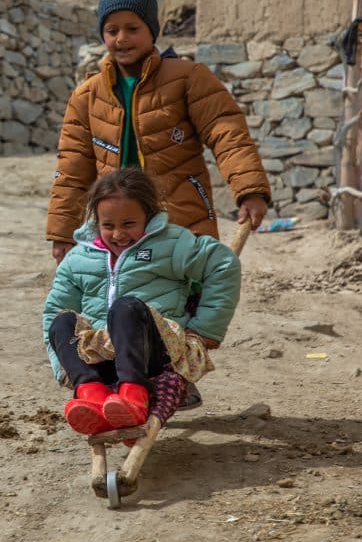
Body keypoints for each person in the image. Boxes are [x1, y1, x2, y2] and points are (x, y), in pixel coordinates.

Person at [46, 0, 270, 408]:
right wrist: (61, 231)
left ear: (152, 31)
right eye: (112, 30)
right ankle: (117, 378)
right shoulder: (88, 95)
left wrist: (249, 190)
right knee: (116, 296)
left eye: (133, 28)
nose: (121, 38)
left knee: (176, 298)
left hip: (179, 215)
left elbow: (227, 132)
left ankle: (174, 374)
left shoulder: (187, 78)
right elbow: (72, 170)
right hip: (115, 221)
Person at [42, 169, 240, 435]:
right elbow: (54, 308)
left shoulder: (171, 244)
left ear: (148, 215)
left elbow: (223, 265)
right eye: (108, 225)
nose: (118, 234)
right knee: (61, 321)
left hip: (154, 353)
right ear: (96, 222)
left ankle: (134, 395)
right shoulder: (78, 259)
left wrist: (206, 329)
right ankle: (91, 394)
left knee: (126, 307)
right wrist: (63, 367)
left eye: (128, 224)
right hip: (103, 358)